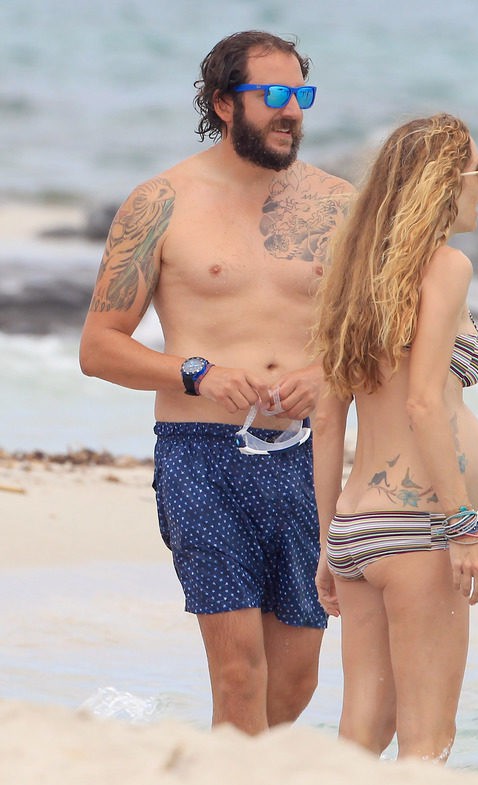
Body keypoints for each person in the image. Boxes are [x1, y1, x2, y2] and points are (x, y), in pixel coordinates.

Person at [78, 30, 354, 734]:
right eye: (274, 96)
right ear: (225, 103)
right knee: (238, 676)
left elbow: (377, 338)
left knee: (293, 684)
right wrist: (193, 373)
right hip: (200, 453)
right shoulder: (162, 202)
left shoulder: (338, 206)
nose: (291, 111)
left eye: (301, 95)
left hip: (306, 457)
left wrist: (326, 376)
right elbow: (99, 347)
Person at [309, 113, 478, 762]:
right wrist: (463, 525)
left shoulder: (350, 273)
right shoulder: (446, 268)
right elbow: (422, 402)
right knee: (428, 741)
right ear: (445, 181)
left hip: (358, 527)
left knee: (360, 736)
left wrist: (329, 541)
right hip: (420, 528)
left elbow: (327, 419)